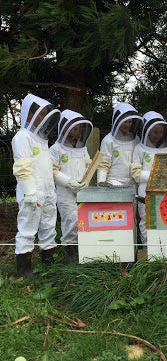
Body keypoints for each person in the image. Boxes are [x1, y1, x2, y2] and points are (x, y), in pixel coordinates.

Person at [12, 94, 61, 279]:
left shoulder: (42, 139)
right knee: (28, 227)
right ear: (29, 114)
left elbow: (47, 167)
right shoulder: (22, 137)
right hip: (31, 193)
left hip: (48, 192)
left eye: (44, 115)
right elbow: (22, 167)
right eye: (40, 114)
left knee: (49, 226)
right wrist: (31, 192)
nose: (43, 118)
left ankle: (48, 262)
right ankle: (24, 269)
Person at [50, 110, 93, 263]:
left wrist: (86, 181)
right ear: (62, 128)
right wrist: (69, 183)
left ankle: (84, 251)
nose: (73, 132)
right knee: (71, 219)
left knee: (84, 219)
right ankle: (70, 252)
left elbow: (89, 165)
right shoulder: (56, 149)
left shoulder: (82, 148)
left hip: (83, 191)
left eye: (76, 129)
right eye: (70, 128)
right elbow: (53, 171)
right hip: (65, 193)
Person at [131, 111, 167, 244]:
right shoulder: (139, 149)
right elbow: (136, 173)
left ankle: (162, 248)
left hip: (163, 189)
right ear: (147, 131)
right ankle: (146, 248)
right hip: (145, 190)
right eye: (155, 132)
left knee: (163, 218)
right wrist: (157, 176)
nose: (158, 135)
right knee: (146, 219)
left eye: (160, 132)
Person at [97, 103, 143, 186]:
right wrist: (101, 182)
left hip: (132, 183)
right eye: (125, 121)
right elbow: (104, 163)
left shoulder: (136, 139)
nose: (128, 125)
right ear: (117, 121)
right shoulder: (108, 140)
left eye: (130, 121)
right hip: (113, 182)